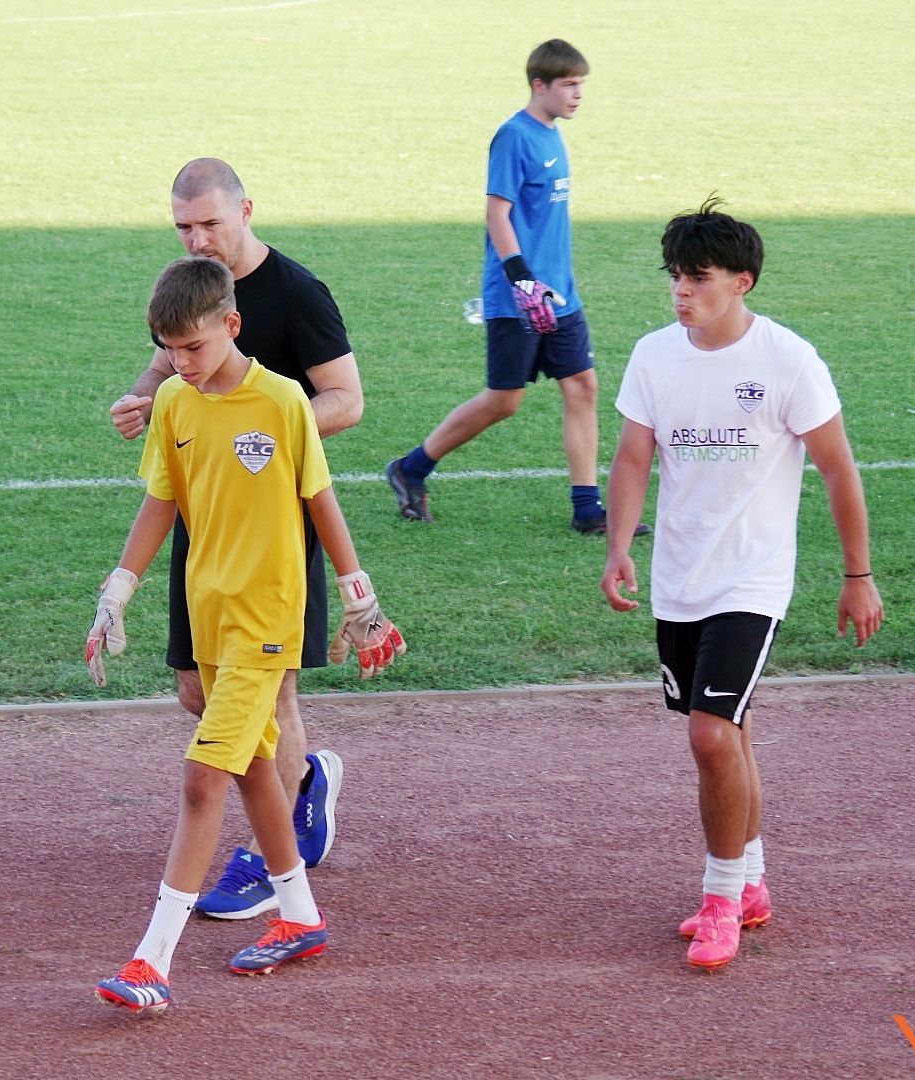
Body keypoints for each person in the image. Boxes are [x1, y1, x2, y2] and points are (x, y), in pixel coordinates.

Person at [87, 256, 403, 1013]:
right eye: (169, 350)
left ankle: (151, 961)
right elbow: (161, 501)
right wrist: (118, 589)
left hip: (267, 619)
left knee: (204, 778)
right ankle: (300, 919)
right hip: (209, 618)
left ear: (231, 325)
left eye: (193, 347)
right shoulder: (174, 402)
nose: (181, 364)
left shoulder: (284, 400)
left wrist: (359, 599)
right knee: (256, 766)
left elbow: (320, 499)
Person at [599, 199, 883, 969]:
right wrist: (618, 546)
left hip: (751, 581)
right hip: (677, 579)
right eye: (674, 276)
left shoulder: (787, 361)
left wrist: (857, 575)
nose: (680, 291)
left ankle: (721, 897)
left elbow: (837, 470)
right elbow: (632, 457)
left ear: (741, 282)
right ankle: (750, 882)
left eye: (697, 277)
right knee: (731, 732)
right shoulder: (654, 356)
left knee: (708, 733)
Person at [110, 158, 364, 920]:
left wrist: (258, 430)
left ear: (245, 211)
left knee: (270, 695)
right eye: (183, 227)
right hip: (204, 525)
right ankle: (302, 779)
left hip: (274, 529)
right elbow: (165, 368)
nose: (196, 239)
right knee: (198, 691)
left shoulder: (297, 294)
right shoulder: (190, 290)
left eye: (209, 224)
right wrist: (141, 400)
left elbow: (346, 399)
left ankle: (268, 855)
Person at [387, 39, 644, 537]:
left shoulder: (552, 133)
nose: (578, 94)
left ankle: (588, 508)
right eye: (569, 85)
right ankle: (410, 468)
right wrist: (522, 278)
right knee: (504, 401)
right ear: (539, 85)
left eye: (581, 85)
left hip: (560, 295)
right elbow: (497, 213)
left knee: (583, 386)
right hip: (518, 296)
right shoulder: (514, 137)